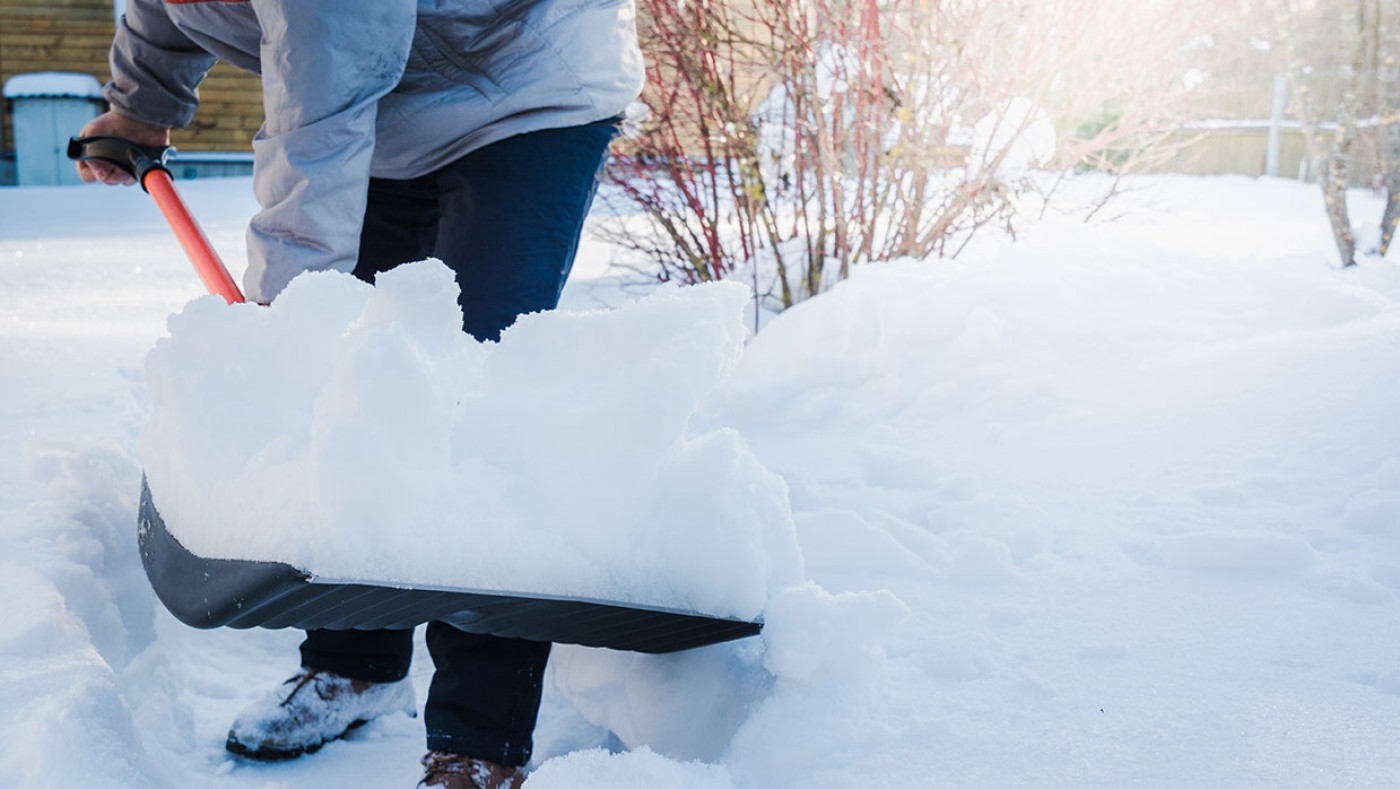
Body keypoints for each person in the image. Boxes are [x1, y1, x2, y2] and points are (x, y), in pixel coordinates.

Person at [78, 1, 644, 786]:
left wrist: (287, 321)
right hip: (379, 100)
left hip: (521, 88)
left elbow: (328, 79)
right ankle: (356, 666)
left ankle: (478, 739)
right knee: (349, 378)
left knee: (470, 392)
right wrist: (142, 103)